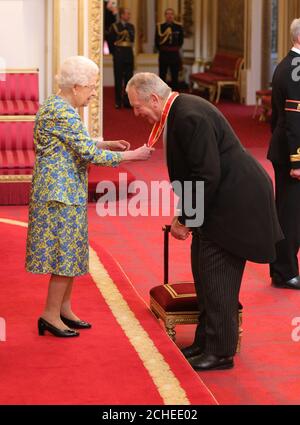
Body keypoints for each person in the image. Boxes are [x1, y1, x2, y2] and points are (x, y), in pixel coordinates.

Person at [126, 73, 283, 371]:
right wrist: (186, 214)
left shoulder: (187, 115)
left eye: (137, 106)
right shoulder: (181, 110)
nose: (136, 114)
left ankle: (220, 352)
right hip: (219, 200)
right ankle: (205, 342)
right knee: (205, 275)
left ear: (155, 99)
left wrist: (186, 219)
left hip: (235, 204)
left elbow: (205, 174)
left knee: (218, 279)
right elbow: (198, 174)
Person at [26, 56, 153, 338]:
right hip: (58, 193)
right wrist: (132, 156)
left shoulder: (60, 106)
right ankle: (49, 314)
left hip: (65, 191)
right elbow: (88, 153)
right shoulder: (62, 111)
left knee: (70, 252)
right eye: (93, 87)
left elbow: (76, 143)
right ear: (77, 86)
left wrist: (104, 143)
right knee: (63, 254)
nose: (95, 92)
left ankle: (63, 309)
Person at [267, 18, 300, 290]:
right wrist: (296, 160)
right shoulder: (294, 69)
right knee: (289, 215)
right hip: (293, 155)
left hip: (287, 149)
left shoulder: (289, 65)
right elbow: (293, 118)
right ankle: (284, 272)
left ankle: (284, 267)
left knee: (292, 213)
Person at [109, 7, 135, 109]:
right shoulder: (115, 26)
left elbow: (132, 39)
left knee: (129, 79)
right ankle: (118, 101)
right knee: (118, 78)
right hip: (119, 54)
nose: (129, 16)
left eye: (129, 14)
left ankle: (127, 101)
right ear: (122, 15)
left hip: (128, 54)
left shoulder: (131, 26)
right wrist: (114, 53)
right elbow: (110, 40)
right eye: (127, 14)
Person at [155, 8, 184, 90]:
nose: (169, 16)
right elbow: (157, 41)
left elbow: (181, 41)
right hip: (163, 54)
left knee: (175, 76)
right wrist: (163, 50)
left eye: (171, 14)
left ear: (173, 16)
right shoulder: (160, 26)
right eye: (167, 14)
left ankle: (175, 96)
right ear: (165, 16)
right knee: (162, 76)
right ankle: (162, 95)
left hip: (174, 55)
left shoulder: (178, 26)